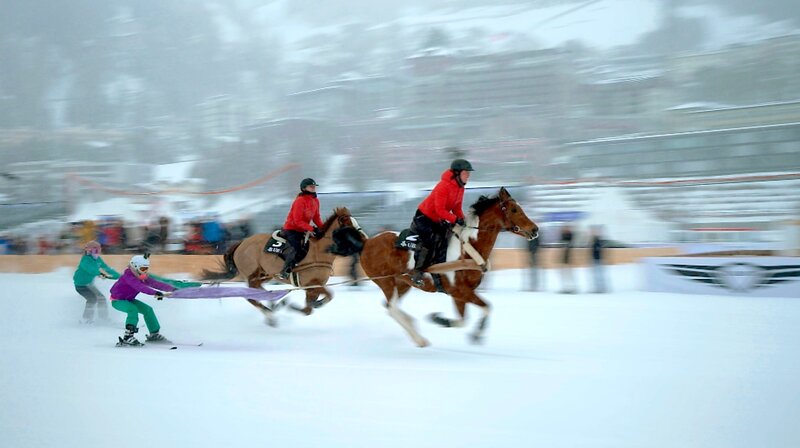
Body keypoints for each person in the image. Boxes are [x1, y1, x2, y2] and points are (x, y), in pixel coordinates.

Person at [408, 159, 474, 286]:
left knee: (445, 240)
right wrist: (455, 219)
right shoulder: (443, 186)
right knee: (430, 241)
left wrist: (463, 220)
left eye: (469, 173)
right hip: (424, 217)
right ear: (456, 173)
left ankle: (439, 275)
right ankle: (417, 272)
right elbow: (439, 210)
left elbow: (456, 208)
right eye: (466, 173)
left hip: (437, 219)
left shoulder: (460, 188)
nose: (468, 176)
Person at [110, 255, 176, 346]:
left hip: (129, 300)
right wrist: (155, 293)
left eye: (146, 268)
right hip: (118, 300)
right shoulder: (128, 276)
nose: (145, 271)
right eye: (143, 268)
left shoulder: (141, 276)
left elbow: (156, 284)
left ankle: (154, 334)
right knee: (132, 309)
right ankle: (128, 337)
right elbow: (140, 287)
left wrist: (172, 289)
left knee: (148, 310)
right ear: (135, 266)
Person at [277, 178, 324, 280]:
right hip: (291, 230)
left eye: (314, 186)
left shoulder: (316, 200)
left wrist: (323, 228)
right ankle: (285, 270)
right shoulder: (299, 201)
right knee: (297, 248)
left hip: (303, 229)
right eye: (311, 186)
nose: (313, 188)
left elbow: (316, 217)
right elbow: (297, 220)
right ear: (304, 188)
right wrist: (311, 228)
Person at [72, 241, 121, 324]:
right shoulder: (85, 259)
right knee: (92, 299)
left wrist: (119, 276)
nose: (97, 253)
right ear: (89, 251)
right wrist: (100, 274)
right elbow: (91, 270)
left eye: (98, 250)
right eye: (94, 251)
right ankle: (86, 319)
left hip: (89, 284)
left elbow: (107, 268)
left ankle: (103, 318)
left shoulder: (98, 259)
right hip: (80, 285)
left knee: (101, 298)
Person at [558, 224, 576, 294]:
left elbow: (568, 245)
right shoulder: (562, 236)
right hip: (563, 258)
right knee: (563, 274)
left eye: (565, 228)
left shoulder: (570, 235)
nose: (564, 229)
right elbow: (562, 246)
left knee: (570, 274)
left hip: (569, 259)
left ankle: (572, 287)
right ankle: (565, 287)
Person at [590, 226, 609, 293]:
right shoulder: (593, 240)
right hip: (594, 259)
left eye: (594, 231)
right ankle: (598, 288)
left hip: (599, 259)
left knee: (600, 275)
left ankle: (602, 288)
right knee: (596, 275)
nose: (593, 233)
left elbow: (600, 249)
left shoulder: (600, 240)